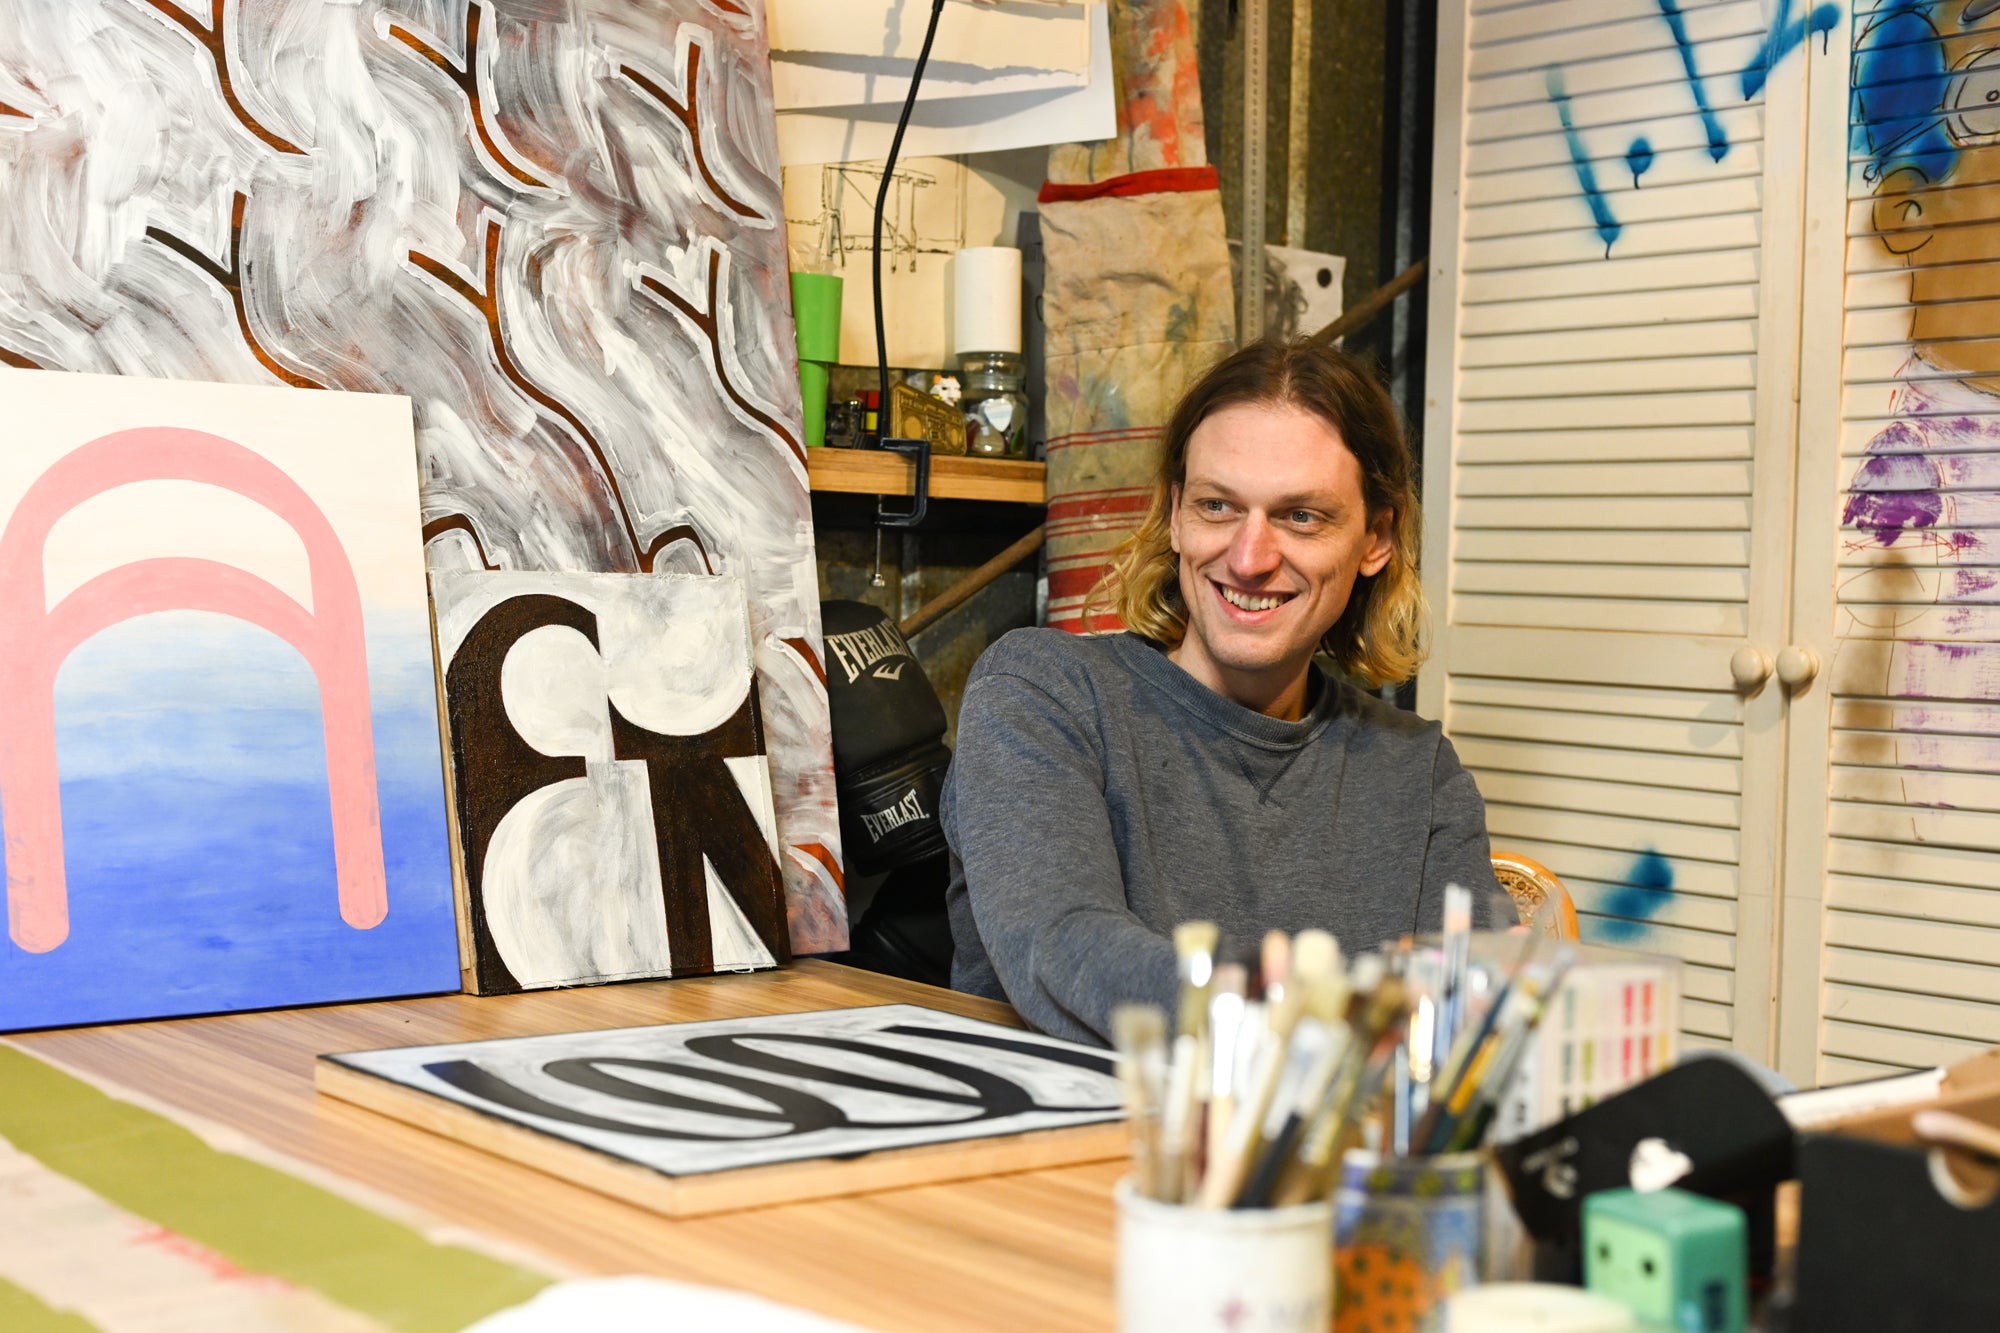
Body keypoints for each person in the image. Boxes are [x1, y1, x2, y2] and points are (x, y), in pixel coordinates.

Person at [941, 338, 1498, 1046]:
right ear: (1176, 514)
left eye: (1301, 516)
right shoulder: (1042, 696)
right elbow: (1066, 951)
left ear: (1376, 538)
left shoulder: (1420, 774)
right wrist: (1338, 1021)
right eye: (1217, 505)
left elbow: (1478, 1014)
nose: (1249, 557)